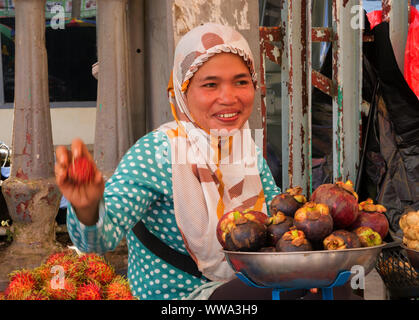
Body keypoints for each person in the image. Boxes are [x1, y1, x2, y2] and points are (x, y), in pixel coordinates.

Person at [55, 23, 361, 300]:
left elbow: (272, 230)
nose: (229, 97)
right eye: (210, 85)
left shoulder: (245, 149)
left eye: (241, 82)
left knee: (335, 283)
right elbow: (100, 240)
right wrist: (87, 207)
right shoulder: (156, 153)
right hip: (182, 300)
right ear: (181, 92)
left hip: (247, 288)